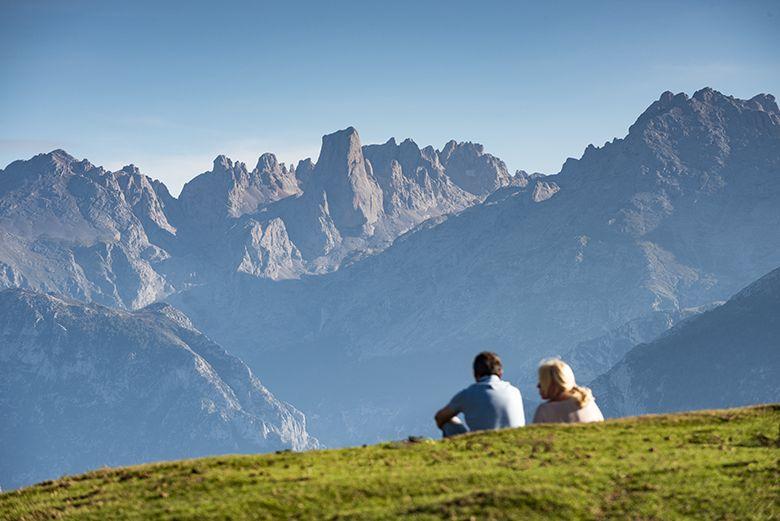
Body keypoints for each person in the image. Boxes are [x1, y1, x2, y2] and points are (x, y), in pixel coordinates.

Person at [434, 351, 525, 437]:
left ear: (475, 374)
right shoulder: (515, 391)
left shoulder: (467, 394)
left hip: (480, 445)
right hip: (517, 442)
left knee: (449, 421)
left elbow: (440, 417)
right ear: (500, 372)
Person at [532, 358, 604, 424]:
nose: (538, 386)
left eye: (542, 381)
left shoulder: (545, 410)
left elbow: (533, 437)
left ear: (553, 383)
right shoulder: (587, 401)